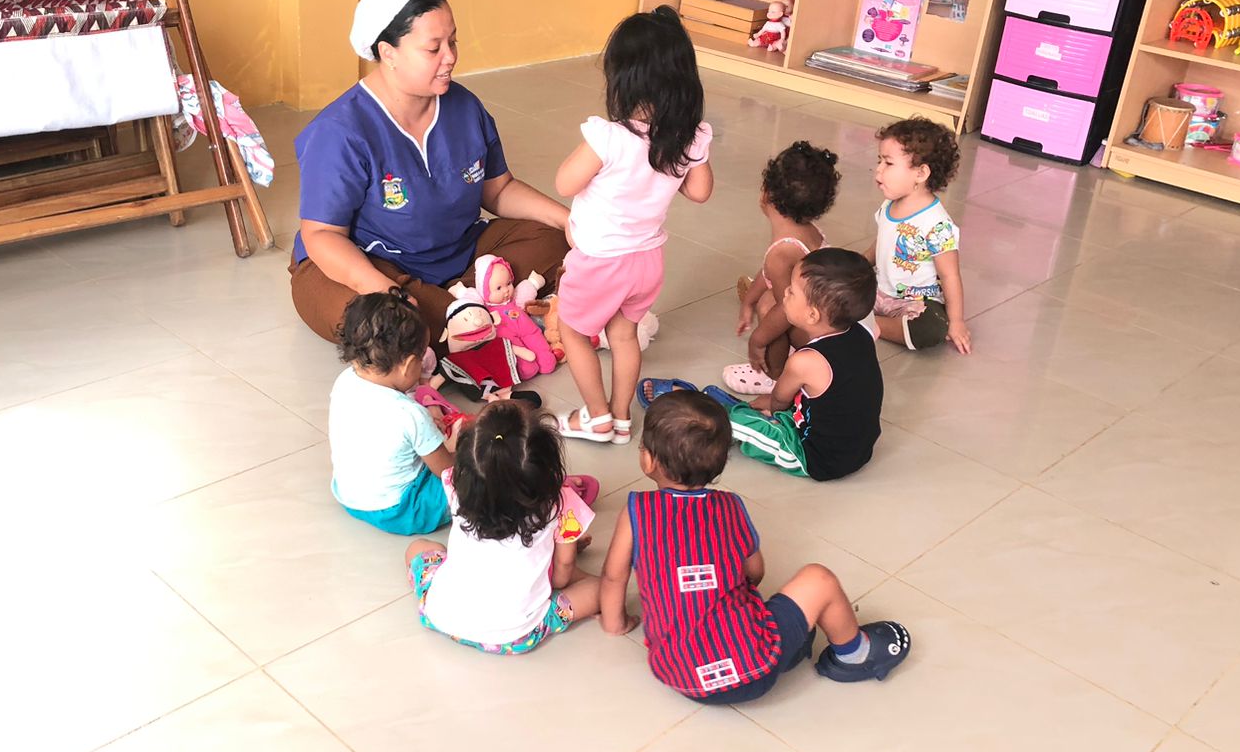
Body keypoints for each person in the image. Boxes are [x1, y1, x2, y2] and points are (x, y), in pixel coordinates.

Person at [290, 0, 571, 347]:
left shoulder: (465, 107)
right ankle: (478, 310)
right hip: (370, 264)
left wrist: (570, 222)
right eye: (433, 48)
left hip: (458, 253)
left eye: (453, 42)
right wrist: (386, 291)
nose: (450, 56)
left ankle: (462, 316)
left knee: (553, 241)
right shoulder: (339, 131)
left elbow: (499, 190)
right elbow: (322, 235)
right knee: (380, 322)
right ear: (388, 53)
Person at [598, 391, 910, 700]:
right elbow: (755, 571)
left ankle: (793, 646)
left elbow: (614, 577)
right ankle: (854, 655)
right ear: (720, 463)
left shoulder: (636, 511)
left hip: (682, 676)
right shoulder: (729, 507)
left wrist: (616, 624)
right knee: (819, 579)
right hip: (756, 665)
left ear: (648, 460)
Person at [552, 6, 714, 445]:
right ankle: (623, 417)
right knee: (624, 335)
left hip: (600, 262)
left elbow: (564, 182)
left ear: (623, 79)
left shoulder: (608, 137)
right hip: (647, 261)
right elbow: (700, 191)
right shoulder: (689, 137)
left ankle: (597, 417)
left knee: (573, 331)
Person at [645, 248, 882, 481]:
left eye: (792, 292)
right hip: (857, 447)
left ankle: (700, 417)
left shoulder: (805, 361)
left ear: (812, 315)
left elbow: (779, 400)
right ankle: (733, 410)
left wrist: (772, 408)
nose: (785, 292)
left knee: (728, 425)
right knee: (773, 411)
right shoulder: (861, 333)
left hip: (815, 457)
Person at [404, 402, 603, 655]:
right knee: (602, 588)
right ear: (548, 469)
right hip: (515, 636)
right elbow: (562, 576)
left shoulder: (454, 486)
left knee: (418, 547)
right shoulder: (560, 505)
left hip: (439, 614)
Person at [329, 290, 454, 535]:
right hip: (401, 510)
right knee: (476, 475)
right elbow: (447, 471)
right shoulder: (410, 414)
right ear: (408, 365)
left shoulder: (344, 381)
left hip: (350, 497)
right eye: (421, 358)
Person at [725, 141, 842, 395]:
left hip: (818, 337)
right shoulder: (806, 231)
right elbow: (769, 273)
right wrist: (748, 301)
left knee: (770, 307)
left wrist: (758, 340)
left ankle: (774, 375)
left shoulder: (781, 252)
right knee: (770, 299)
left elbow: (786, 312)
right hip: (830, 323)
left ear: (766, 194)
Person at [869, 118, 971, 354]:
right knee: (836, 286)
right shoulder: (889, 204)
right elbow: (884, 242)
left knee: (931, 328)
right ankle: (867, 320)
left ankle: (867, 325)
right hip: (878, 290)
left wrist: (956, 321)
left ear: (921, 173)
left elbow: (950, 275)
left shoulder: (936, 223)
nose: (879, 169)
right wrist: (859, 263)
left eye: (888, 163)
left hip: (914, 302)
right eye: (879, 161)